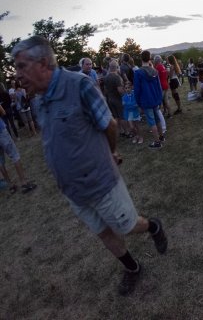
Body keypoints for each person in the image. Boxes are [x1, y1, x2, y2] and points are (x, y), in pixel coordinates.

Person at [12, 35, 168, 296]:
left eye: (20, 66)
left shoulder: (79, 85)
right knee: (104, 233)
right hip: (72, 189)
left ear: (42, 63)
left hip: (100, 180)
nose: (17, 75)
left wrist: (110, 151)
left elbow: (110, 124)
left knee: (126, 227)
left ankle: (154, 226)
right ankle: (133, 269)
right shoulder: (39, 100)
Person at [0, 104, 36, 194]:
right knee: (14, 155)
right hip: (1, 132)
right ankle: (24, 182)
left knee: (0, 162)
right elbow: (3, 112)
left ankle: (10, 185)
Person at [134, 51, 165, 148]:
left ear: (141, 58)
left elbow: (137, 89)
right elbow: (159, 87)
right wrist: (160, 99)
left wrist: (138, 102)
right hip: (155, 99)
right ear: (150, 58)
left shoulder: (138, 73)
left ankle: (157, 142)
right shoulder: (155, 71)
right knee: (157, 119)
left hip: (146, 101)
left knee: (152, 121)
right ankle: (161, 137)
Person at [104, 60, 128, 137]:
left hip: (110, 99)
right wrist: (125, 93)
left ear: (110, 67)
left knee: (115, 117)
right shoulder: (117, 77)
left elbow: (105, 90)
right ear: (117, 67)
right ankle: (127, 132)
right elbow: (120, 90)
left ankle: (120, 131)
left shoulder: (106, 77)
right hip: (118, 99)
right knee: (122, 116)